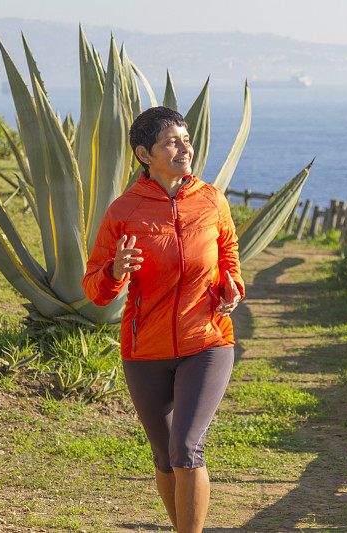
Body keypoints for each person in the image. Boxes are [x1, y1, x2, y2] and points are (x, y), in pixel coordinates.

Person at [82, 106, 244, 533]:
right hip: (144, 349)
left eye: (186, 140)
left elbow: (228, 255)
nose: (184, 148)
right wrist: (115, 271)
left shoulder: (211, 200)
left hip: (207, 341)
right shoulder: (124, 210)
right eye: (171, 142)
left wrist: (232, 287)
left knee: (187, 448)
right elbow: (94, 289)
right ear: (143, 153)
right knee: (165, 457)